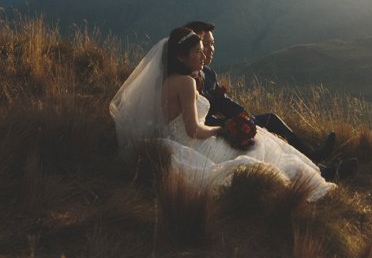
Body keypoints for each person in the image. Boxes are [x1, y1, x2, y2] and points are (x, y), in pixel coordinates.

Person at [109, 27, 336, 200]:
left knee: (263, 142)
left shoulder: (168, 82)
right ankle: (311, 180)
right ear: (181, 57)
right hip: (194, 144)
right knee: (259, 146)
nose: (202, 56)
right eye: (197, 52)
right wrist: (222, 130)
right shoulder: (186, 83)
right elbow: (193, 129)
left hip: (177, 141)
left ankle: (318, 170)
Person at [182, 21, 338, 165]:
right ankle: (318, 170)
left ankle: (311, 156)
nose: (210, 50)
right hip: (208, 131)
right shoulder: (184, 80)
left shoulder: (208, 73)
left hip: (227, 123)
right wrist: (228, 125)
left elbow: (223, 101)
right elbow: (197, 120)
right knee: (263, 140)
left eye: (213, 44)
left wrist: (245, 118)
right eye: (206, 44)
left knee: (270, 119)